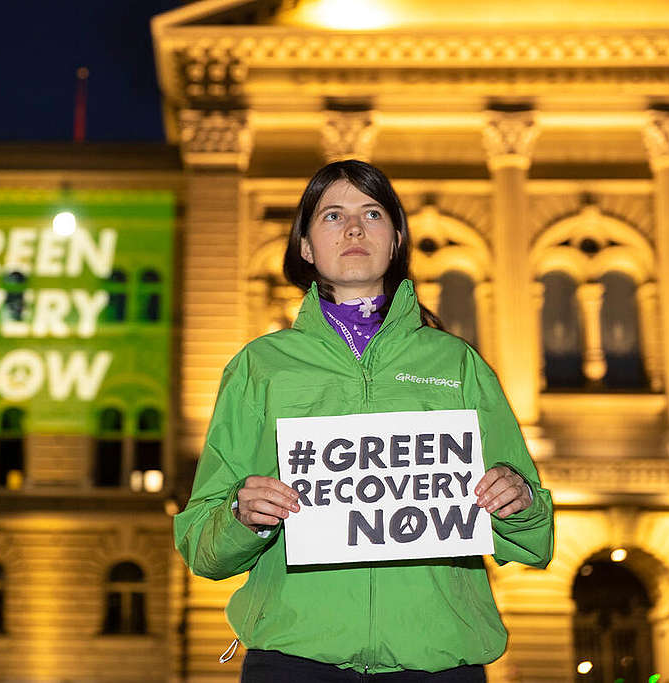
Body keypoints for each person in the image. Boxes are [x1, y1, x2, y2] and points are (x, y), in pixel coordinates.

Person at [174, 160, 554, 681]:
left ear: (396, 240)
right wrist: (242, 516)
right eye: (332, 215)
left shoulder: (458, 364)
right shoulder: (258, 367)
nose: (353, 228)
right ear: (306, 246)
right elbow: (201, 546)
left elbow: (536, 537)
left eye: (371, 213)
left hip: (438, 660)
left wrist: (520, 501)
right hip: (296, 660)